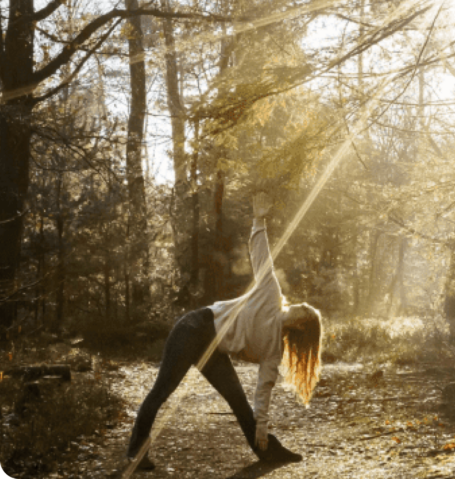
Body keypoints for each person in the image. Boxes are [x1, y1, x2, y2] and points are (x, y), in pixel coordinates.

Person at [125, 192, 322, 471]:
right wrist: (258, 220)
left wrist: (262, 428)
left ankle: (268, 450)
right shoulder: (270, 294)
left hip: (214, 349)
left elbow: (263, 391)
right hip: (193, 329)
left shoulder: (274, 350)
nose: (303, 305)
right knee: (161, 392)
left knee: (240, 402)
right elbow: (261, 257)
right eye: (305, 305)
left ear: (302, 326)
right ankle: (135, 453)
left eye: (306, 312)